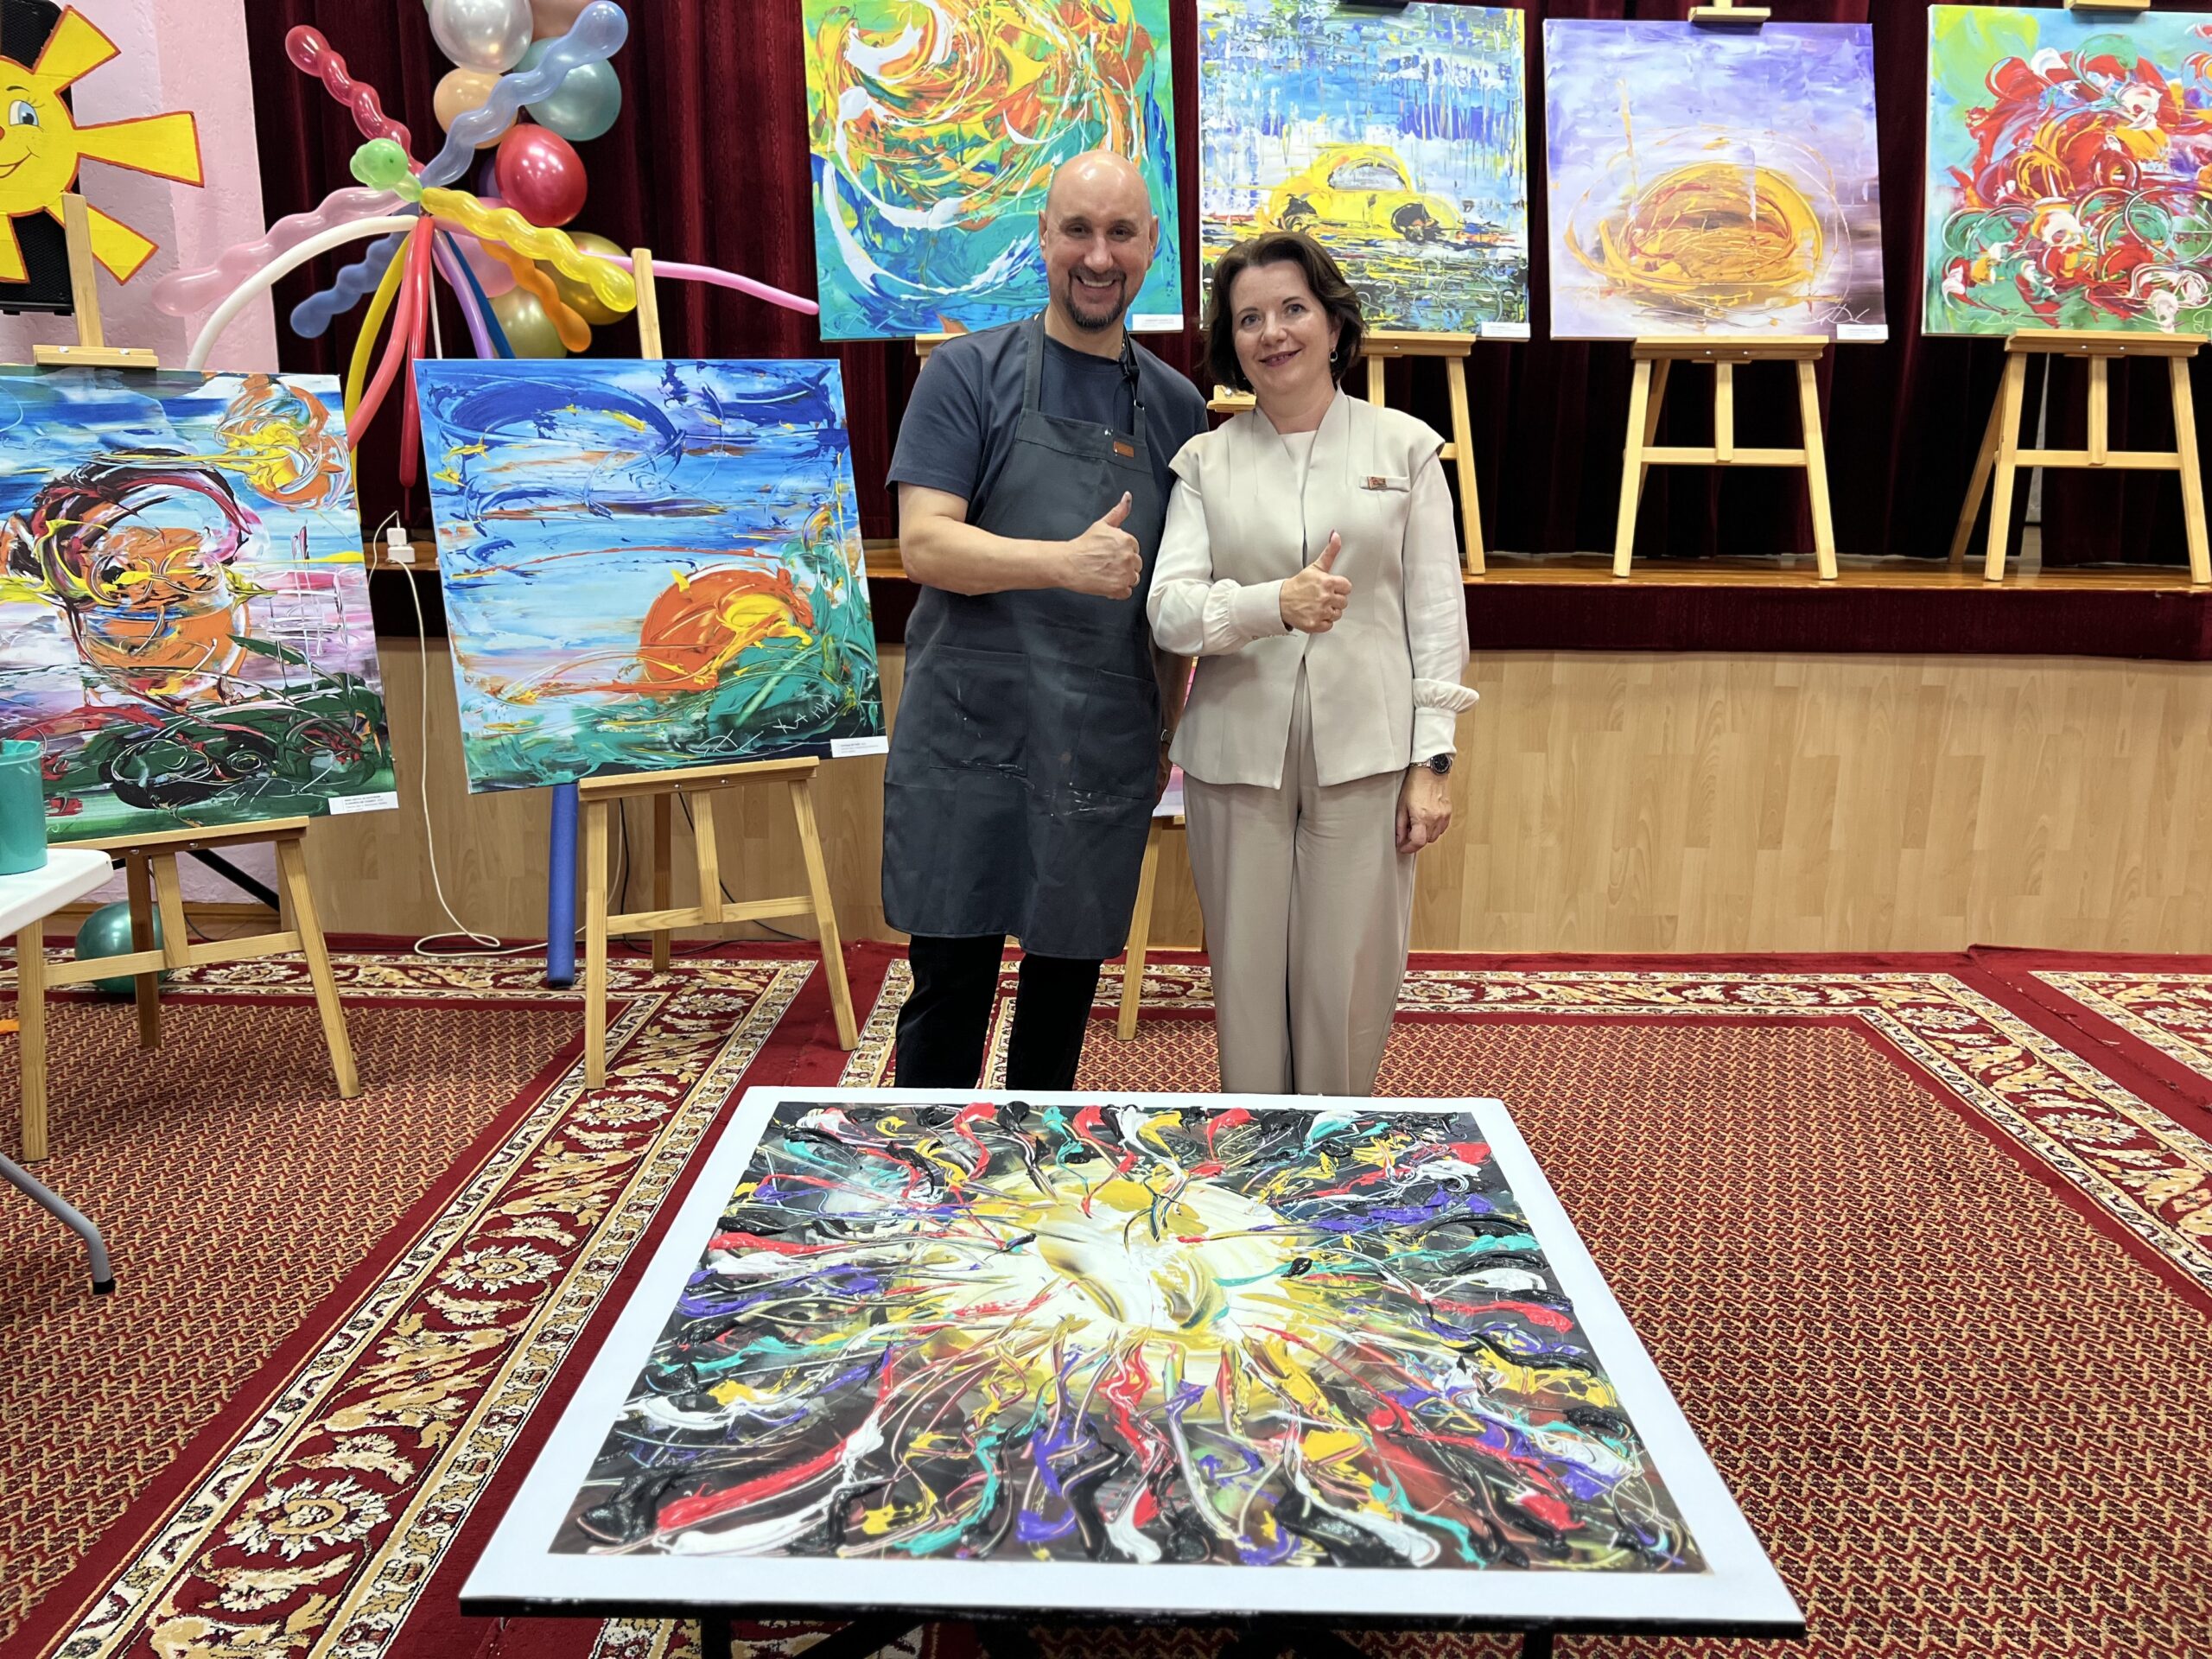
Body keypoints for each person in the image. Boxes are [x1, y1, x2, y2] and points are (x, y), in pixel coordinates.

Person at [881, 150, 1211, 1090]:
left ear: (1152, 245)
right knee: (949, 991)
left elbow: (1173, 597)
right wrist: (1063, 564)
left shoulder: (1178, 410)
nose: (1098, 257)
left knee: (1063, 996)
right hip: (968, 736)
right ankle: (930, 1171)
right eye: (1078, 231)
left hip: (1096, 743)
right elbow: (925, 544)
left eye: (1120, 234)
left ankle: (1032, 1173)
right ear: (1043, 238)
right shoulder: (965, 374)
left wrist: (1164, 731)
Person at [1147, 231, 1476, 1096]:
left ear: (1333, 324)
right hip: (1234, 759)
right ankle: (1258, 1148)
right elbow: (1169, 611)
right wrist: (1271, 605)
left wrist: (1432, 763)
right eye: (1249, 318)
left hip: (1368, 755)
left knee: (1346, 981)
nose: (1273, 333)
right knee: (1246, 983)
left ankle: (1333, 1141)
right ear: (1231, 342)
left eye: (1293, 309)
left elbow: (1435, 615)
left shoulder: (1406, 449)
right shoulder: (1204, 461)